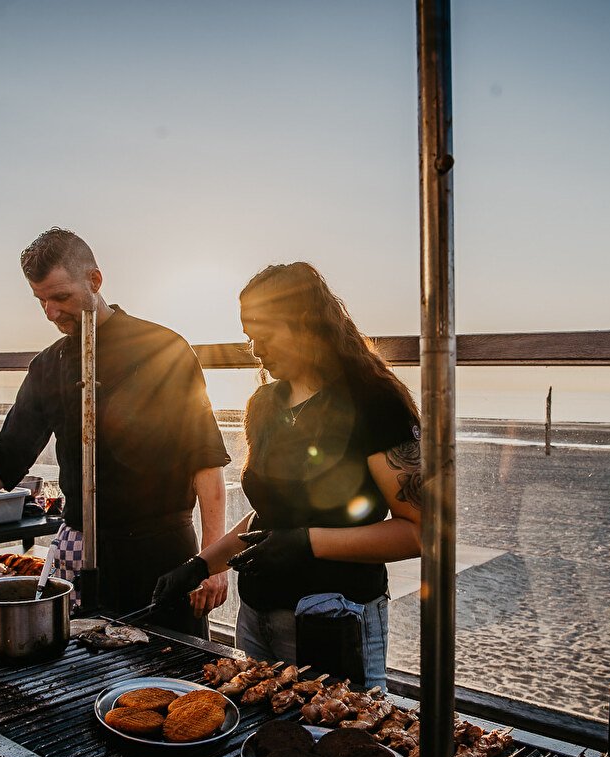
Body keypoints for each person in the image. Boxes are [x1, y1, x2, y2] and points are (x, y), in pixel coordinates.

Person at [0, 228, 230, 636]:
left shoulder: (164, 349)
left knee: (169, 680)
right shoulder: (49, 365)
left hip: (162, 550)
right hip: (79, 549)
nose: (50, 311)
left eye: (60, 297)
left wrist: (212, 560)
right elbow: (8, 454)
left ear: (94, 281)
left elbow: (204, 458)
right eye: (40, 300)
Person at [153, 262, 422, 687]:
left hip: (334, 619)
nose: (255, 350)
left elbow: (421, 532)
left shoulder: (375, 402)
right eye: (249, 338)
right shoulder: (264, 404)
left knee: (336, 743)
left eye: (264, 334)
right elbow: (269, 520)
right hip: (255, 618)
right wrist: (200, 566)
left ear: (305, 323)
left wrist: (307, 544)